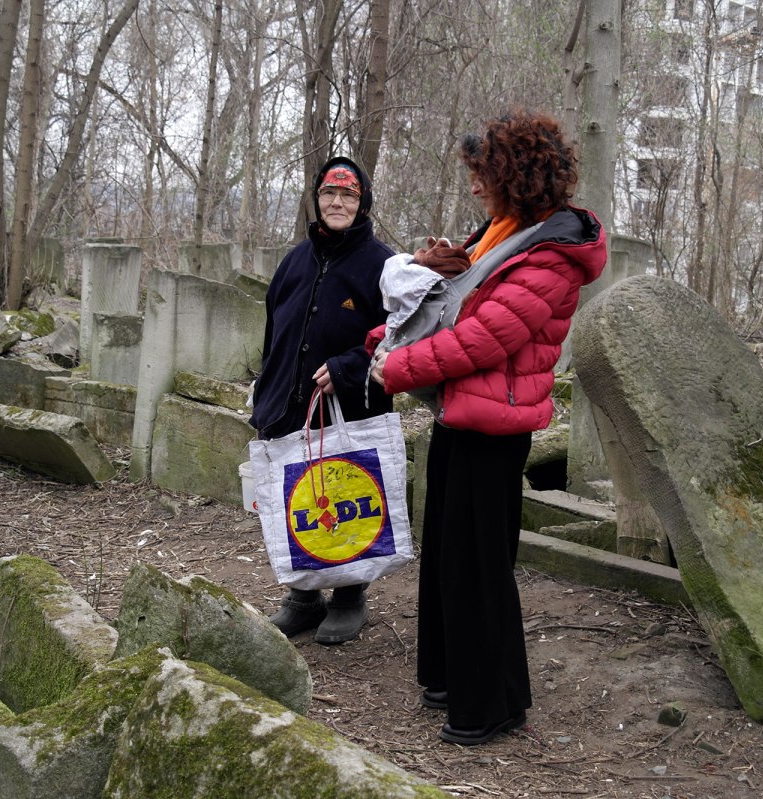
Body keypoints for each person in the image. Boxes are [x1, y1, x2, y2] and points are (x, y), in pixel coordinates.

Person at [369, 110, 607, 744]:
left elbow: (482, 339)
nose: (473, 186)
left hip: (495, 427)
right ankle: (450, 678)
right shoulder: (502, 233)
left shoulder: (552, 255)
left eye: (484, 174)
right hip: (459, 414)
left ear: (516, 177)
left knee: (479, 567)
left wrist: (392, 368)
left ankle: (493, 705)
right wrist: (422, 283)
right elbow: (450, 311)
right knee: (449, 556)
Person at [250, 155, 395, 645]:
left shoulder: (383, 266)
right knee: (299, 497)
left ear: (363, 202)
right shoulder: (295, 260)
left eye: (348, 195)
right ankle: (304, 599)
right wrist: (265, 394)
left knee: (348, 495)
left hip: (352, 408)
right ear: (317, 199)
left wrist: (351, 367)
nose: (337, 202)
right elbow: (274, 332)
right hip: (289, 408)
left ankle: (350, 596)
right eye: (330, 194)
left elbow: (399, 337)